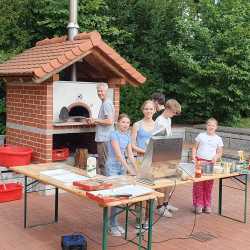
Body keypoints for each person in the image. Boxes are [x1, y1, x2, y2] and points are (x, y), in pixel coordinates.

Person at [106, 114, 137, 237]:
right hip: (112, 167)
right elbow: (119, 155)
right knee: (115, 197)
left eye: (127, 123)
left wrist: (136, 169)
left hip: (121, 167)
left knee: (121, 197)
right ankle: (111, 225)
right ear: (118, 123)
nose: (125, 125)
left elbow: (130, 154)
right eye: (123, 122)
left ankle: (114, 222)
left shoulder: (128, 136)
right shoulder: (113, 134)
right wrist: (129, 169)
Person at [154, 99, 182, 217]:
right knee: (161, 182)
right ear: (168, 109)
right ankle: (160, 207)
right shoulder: (159, 121)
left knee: (170, 180)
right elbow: (159, 139)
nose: (174, 115)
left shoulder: (168, 120)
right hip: (160, 154)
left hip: (168, 153)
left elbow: (168, 136)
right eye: (174, 113)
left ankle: (166, 203)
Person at [192, 118, 223, 214]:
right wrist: (194, 158)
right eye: (209, 125)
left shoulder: (218, 139)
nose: (211, 127)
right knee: (198, 184)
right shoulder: (201, 136)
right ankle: (198, 204)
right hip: (200, 162)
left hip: (210, 163)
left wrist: (216, 157)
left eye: (213, 125)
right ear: (206, 126)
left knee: (208, 185)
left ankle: (207, 204)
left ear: (216, 127)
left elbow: (220, 152)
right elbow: (194, 147)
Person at [86, 82, 115, 175]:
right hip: (103, 138)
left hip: (105, 138)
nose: (100, 93)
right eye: (98, 91)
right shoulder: (104, 103)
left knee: (104, 163)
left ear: (106, 91)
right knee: (103, 163)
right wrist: (95, 121)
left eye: (102, 91)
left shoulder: (106, 104)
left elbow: (110, 121)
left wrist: (95, 120)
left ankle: (105, 183)